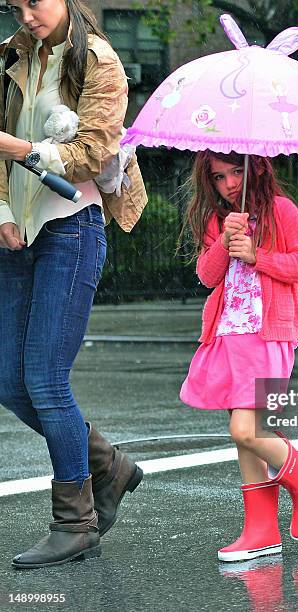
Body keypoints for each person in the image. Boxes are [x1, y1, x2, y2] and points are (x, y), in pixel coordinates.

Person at [0, 0, 144, 569]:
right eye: (15, 4)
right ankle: (108, 464)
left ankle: (76, 520)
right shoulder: (11, 57)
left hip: (72, 227)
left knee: (44, 378)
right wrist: (2, 210)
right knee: (9, 379)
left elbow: (93, 152)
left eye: (34, 1)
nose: (26, 14)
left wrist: (17, 150)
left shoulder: (98, 61)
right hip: (19, 231)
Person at [179, 150, 298, 562]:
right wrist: (225, 243)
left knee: (246, 430)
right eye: (219, 177)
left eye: (235, 172)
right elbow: (207, 276)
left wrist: (255, 255)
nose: (229, 183)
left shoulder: (282, 211)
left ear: (256, 168)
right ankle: (260, 529)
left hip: (268, 334)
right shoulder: (219, 220)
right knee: (243, 433)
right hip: (229, 335)